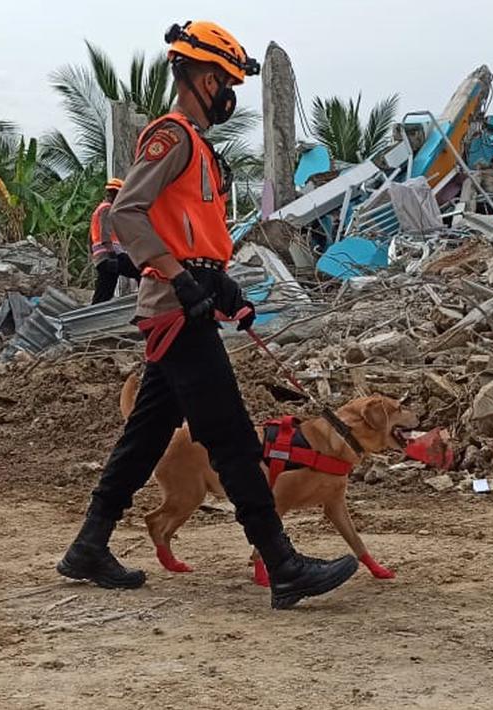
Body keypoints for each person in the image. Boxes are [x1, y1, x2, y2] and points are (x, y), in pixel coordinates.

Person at [57, 20, 359, 609]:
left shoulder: (197, 146)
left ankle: (88, 546)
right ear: (202, 76)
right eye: (226, 82)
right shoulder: (169, 138)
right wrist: (179, 279)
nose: (230, 95)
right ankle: (283, 564)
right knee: (232, 437)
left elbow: (191, 236)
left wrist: (219, 284)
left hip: (183, 301)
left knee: (145, 438)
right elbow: (128, 215)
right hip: (174, 310)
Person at [89, 179, 142, 305]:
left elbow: (90, 239)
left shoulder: (99, 210)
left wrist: (95, 257)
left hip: (102, 258)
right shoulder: (107, 209)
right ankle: (144, 302)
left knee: (104, 291)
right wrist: (113, 256)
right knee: (142, 271)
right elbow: (106, 234)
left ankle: (94, 314)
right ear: (115, 194)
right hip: (110, 255)